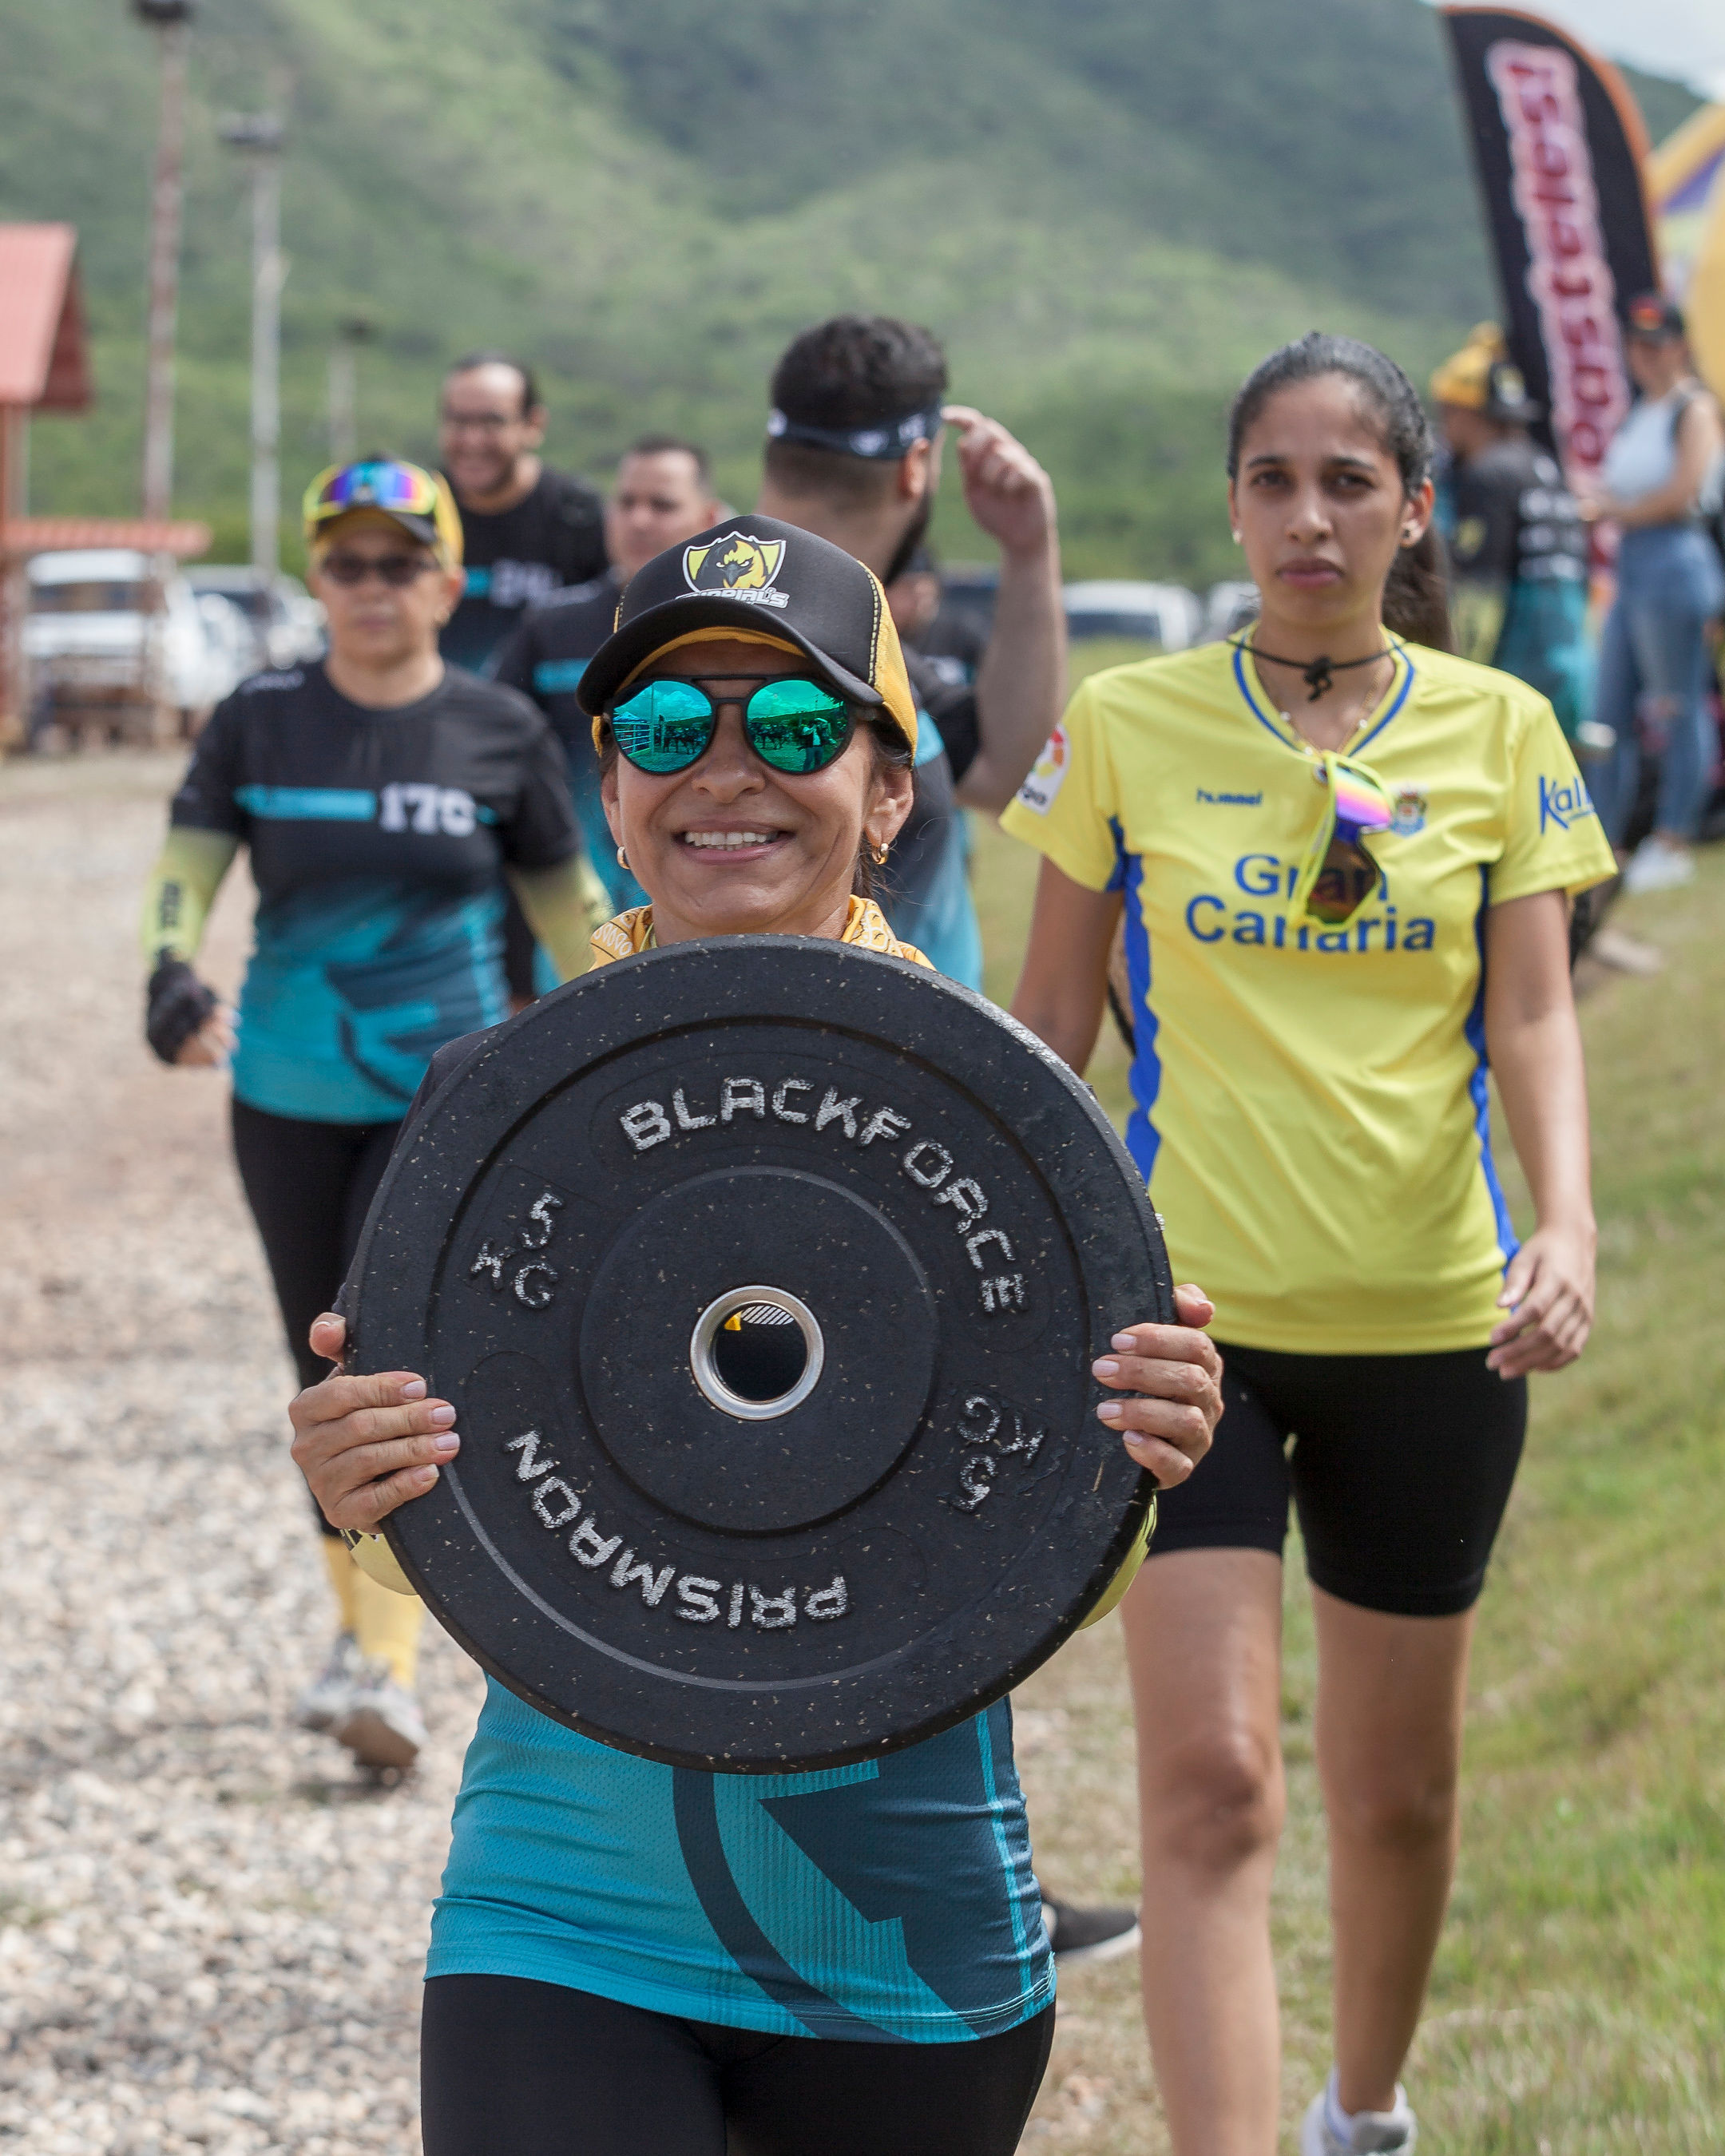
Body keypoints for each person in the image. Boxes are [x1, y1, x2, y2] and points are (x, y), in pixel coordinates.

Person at [287, 519, 1226, 2156]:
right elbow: (417, 1564)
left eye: (793, 726)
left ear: (886, 794)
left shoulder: (1007, 1123)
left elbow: (1045, 1584)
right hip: (562, 1922)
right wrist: (351, 1484)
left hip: (901, 1943)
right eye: (667, 730)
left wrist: (1145, 1453)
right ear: (613, 793)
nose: (727, 770)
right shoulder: (495, 1117)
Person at [1003, 335, 1616, 2156]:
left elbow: (1530, 1020)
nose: (1305, 514)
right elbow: (1046, 1022)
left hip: (1435, 1329)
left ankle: (1362, 2106)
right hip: (1185, 1330)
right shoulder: (1122, 723)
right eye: (1269, 477)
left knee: (1396, 1795)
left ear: (1410, 509)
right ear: (1230, 505)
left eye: (1346, 479)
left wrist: (1565, 1216)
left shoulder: (1500, 728)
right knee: (1210, 1781)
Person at [141, 458, 609, 1773]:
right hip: (284, 1093)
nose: (371, 586)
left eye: (400, 561)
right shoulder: (259, 720)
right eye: (344, 562)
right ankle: (363, 1642)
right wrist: (170, 971)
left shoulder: (500, 731)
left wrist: (614, 1049)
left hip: (438, 1099)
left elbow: (568, 921)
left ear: (447, 582)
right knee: (317, 1364)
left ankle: (385, 1662)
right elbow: (184, 875)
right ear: (315, 579)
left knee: (384, 1353)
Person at [756, 315, 1065, 986]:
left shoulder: (672, 626)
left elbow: (1006, 772)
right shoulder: (861, 655)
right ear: (916, 466)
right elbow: (1022, 785)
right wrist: (1031, 549)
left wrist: (1027, 550)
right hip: (895, 1071)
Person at [493, 434, 725, 915]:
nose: (639, 520)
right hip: (572, 934)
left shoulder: (738, 638)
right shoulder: (551, 629)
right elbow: (493, 763)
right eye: (626, 503)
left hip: (706, 914)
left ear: (708, 521)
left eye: (662, 505)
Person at [1580, 293, 1725, 895]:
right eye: (1637, 343)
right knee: (1608, 710)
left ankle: (1673, 838)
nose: (1646, 354)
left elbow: (1683, 493)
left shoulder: (1693, 407)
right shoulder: (1642, 410)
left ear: (1679, 345)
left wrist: (1612, 508)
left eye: (1656, 342)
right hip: (1633, 564)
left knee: (1678, 702)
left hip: (1675, 559)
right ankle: (1603, 839)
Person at [1430, 324, 1593, 743]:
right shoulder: (1542, 464)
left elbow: (1481, 589)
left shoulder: (1489, 474)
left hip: (1522, 650)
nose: (1445, 424)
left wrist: (1460, 674)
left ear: (1470, 414)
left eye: (1449, 411)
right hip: (1569, 644)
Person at [437, 351, 608, 672]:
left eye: (492, 422)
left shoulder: (580, 518)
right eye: (459, 421)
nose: (472, 440)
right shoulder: (417, 512)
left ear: (533, 424)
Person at [886, 544, 989, 688]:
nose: (919, 597)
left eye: (925, 586)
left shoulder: (962, 631)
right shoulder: (878, 637)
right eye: (907, 587)